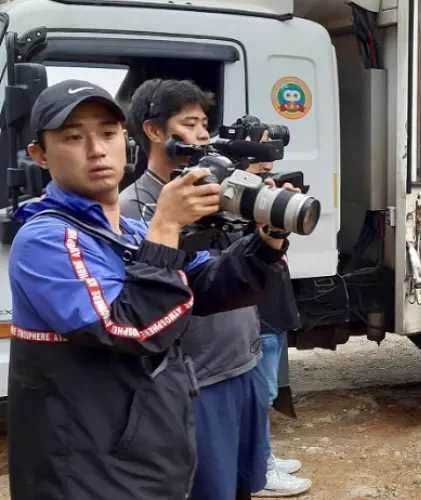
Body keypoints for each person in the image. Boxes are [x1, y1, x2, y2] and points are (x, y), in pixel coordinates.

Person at [7, 79, 288, 500]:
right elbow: (125, 327)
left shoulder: (130, 232)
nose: (96, 149)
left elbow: (208, 286)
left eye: (107, 133)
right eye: (73, 137)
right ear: (40, 155)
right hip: (88, 473)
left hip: (144, 458)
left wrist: (266, 243)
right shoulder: (46, 239)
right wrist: (167, 227)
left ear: (126, 142)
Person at [118, 79, 310, 499]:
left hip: (242, 364)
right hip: (197, 382)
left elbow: (227, 276)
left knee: (242, 488)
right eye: (189, 123)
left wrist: (269, 234)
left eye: (204, 122)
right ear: (154, 132)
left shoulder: (221, 191)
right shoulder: (136, 207)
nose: (203, 134)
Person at [242, 130, 313, 497]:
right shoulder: (240, 199)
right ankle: (261, 470)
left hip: (273, 308)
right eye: (262, 147)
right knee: (259, 394)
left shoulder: (259, 191)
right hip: (260, 314)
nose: (270, 156)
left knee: (265, 392)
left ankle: (264, 455)